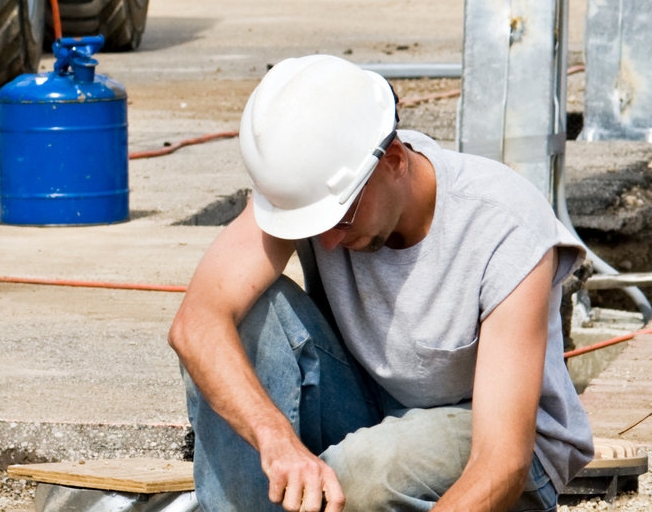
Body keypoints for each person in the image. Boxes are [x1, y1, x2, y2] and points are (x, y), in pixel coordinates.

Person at [167, 54, 592, 511]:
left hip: (501, 442)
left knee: (364, 475)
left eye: (341, 220)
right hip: (371, 411)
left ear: (393, 162)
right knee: (252, 321)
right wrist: (274, 439)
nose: (327, 242)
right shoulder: (313, 188)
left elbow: (501, 462)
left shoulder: (503, 226)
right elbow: (197, 326)